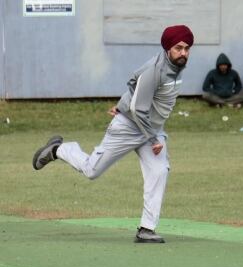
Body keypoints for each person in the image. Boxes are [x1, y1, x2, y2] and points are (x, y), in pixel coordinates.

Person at [31, 25, 195, 244]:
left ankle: (147, 229)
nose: (183, 53)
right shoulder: (155, 71)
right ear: (167, 48)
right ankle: (59, 149)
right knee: (91, 170)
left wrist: (123, 103)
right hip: (129, 127)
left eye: (187, 48)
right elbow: (138, 108)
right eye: (178, 48)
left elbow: (132, 82)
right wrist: (147, 131)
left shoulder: (175, 67)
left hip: (150, 128)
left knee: (159, 170)